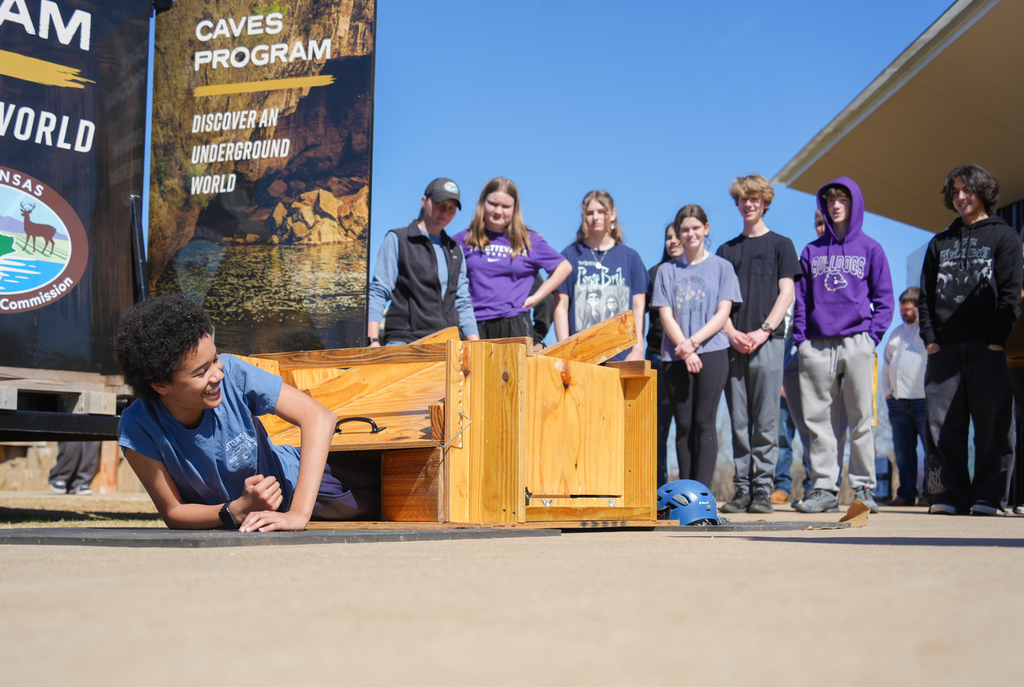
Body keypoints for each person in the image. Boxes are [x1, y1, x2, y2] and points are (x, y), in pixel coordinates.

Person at [115, 294, 379, 531]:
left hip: (302, 478)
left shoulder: (233, 373)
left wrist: (298, 514)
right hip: (256, 516)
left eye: (215, 359)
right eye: (201, 372)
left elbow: (320, 418)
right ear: (160, 384)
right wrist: (237, 509)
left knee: (389, 500)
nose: (218, 374)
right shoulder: (138, 427)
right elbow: (174, 512)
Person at [918, 164, 1022, 515]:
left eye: (968, 190)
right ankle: (946, 494)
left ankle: (988, 497)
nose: (961, 197)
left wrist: (997, 340)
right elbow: (925, 298)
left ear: (983, 192)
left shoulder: (1004, 237)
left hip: (987, 347)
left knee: (994, 426)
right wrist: (930, 339)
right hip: (944, 349)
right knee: (942, 426)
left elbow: (1010, 293)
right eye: (956, 191)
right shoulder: (940, 242)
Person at [792, 176, 894, 514]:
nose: (836, 206)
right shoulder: (811, 251)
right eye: (830, 201)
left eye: (842, 200)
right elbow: (800, 300)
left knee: (861, 417)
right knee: (818, 420)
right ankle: (824, 487)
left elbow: (884, 299)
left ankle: (864, 488)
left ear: (854, 204)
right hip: (817, 346)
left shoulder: (871, 248)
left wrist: (872, 337)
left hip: (857, 343)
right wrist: (802, 341)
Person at [717, 175, 802, 514]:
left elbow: (787, 292)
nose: (748, 204)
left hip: (769, 341)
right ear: (737, 203)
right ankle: (741, 488)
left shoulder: (782, 245)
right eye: (742, 199)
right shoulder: (726, 250)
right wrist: (731, 332)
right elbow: (718, 301)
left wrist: (765, 330)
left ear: (766, 202)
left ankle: (763, 489)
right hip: (733, 343)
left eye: (754, 198)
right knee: (738, 419)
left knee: (767, 418)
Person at [650, 205, 741, 488]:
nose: (690, 234)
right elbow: (665, 314)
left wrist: (695, 343)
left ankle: (703, 496)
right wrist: (684, 348)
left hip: (712, 352)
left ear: (706, 229)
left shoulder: (722, 267)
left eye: (695, 228)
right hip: (674, 356)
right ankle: (686, 494)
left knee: (704, 422)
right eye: (684, 229)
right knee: (684, 425)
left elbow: (722, 312)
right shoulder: (666, 271)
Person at [773, 210, 848, 503]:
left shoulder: (850, 259)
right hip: (798, 349)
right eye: (818, 222)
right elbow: (794, 310)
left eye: (827, 221)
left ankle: (826, 485)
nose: (823, 227)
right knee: (802, 429)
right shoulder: (807, 259)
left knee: (828, 424)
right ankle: (811, 486)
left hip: (831, 350)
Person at [453, 177, 571, 340]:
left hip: (514, 323)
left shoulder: (529, 241)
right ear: (482, 203)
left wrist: (537, 297)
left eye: (505, 206)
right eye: (493, 204)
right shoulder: (462, 240)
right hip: (474, 325)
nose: (498, 211)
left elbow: (564, 267)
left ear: (515, 209)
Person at [367, 178, 480, 346]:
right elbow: (378, 290)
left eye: (451, 207)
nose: (445, 211)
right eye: (439, 203)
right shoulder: (398, 239)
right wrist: (373, 340)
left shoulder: (455, 249)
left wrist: (476, 345)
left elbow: (462, 301)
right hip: (405, 343)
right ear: (424, 201)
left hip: (448, 347)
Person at [554, 190, 649, 362]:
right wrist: (564, 351)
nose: (595, 217)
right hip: (580, 357)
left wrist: (638, 349)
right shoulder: (570, 256)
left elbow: (638, 307)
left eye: (601, 212)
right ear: (583, 216)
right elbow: (560, 307)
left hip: (622, 355)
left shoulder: (631, 258)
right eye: (590, 213)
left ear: (612, 214)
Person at [882, 287, 928, 506]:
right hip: (898, 403)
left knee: (931, 450)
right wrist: (888, 395)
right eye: (902, 309)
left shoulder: (928, 331)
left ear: (919, 308)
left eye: (908, 309)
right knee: (903, 452)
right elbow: (886, 365)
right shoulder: (896, 333)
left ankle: (931, 493)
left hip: (924, 400)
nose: (904, 313)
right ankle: (905, 494)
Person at [646, 223, 683, 486]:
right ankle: (658, 488)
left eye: (677, 236)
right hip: (657, 358)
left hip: (690, 357)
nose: (672, 241)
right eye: (668, 237)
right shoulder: (654, 273)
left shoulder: (700, 272)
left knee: (687, 427)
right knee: (657, 430)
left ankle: (689, 486)